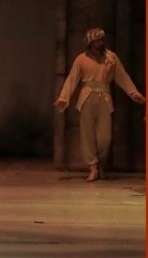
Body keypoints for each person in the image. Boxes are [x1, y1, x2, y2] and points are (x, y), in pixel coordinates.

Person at [54, 28, 145, 182]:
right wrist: (64, 97)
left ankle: (101, 163)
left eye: (102, 40)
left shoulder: (111, 58)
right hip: (87, 97)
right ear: (91, 42)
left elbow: (122, 76)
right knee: (87, 134)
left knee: (105, 137)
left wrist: (133, 93)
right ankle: (93, 167)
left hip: (104, 96)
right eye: (97, 40)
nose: (101, 42)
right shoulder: (81, 59)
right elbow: (72, 79)